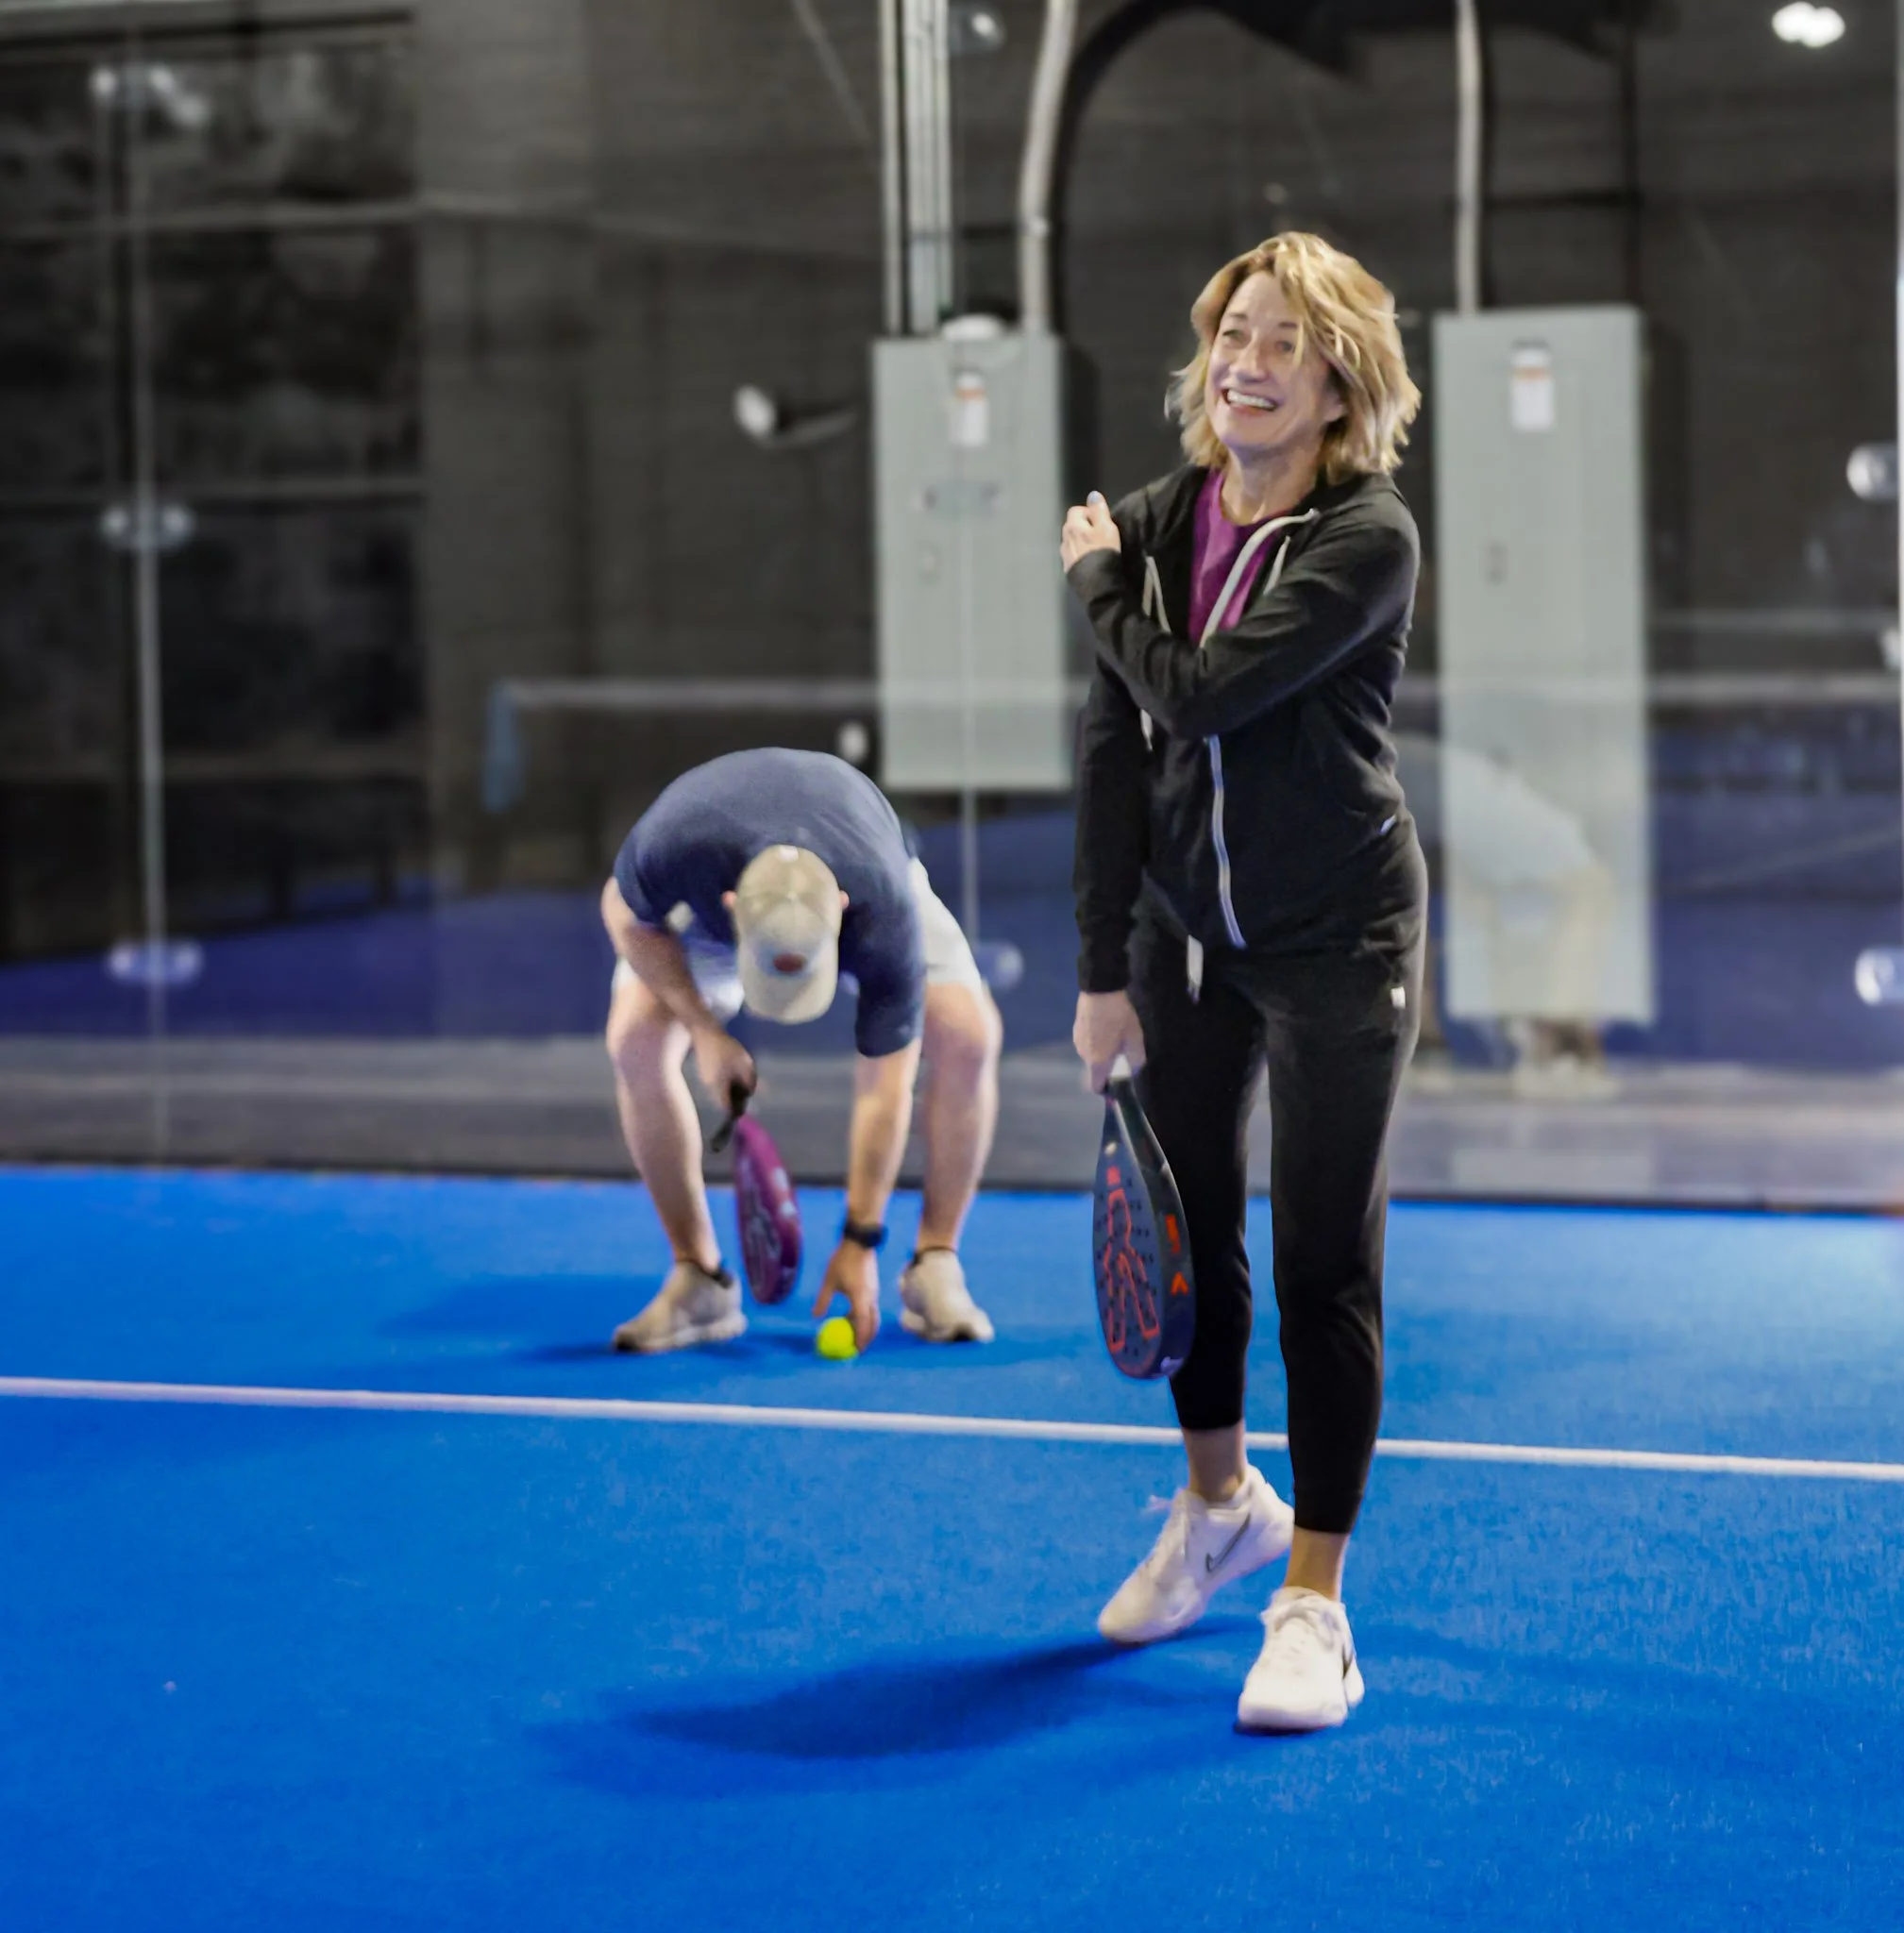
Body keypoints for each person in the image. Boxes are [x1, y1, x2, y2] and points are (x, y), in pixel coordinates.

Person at [1062, 231, 1425, 1733]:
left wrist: (1093, 586)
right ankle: (1216, 1506)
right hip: (1179, 942)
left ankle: (1314, 1608)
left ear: (1341, 382)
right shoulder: (1158, 519)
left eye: (1283, 342)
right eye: (1232, 335)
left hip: (1342, 942)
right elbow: (1113, 753)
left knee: (1319, 1263)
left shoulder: (1366, 536)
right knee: (1196, 1238)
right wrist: (1100, 968)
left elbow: (1197, 690)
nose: (1246, 362)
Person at [601, 748, 999, 1353]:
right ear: (732, 907)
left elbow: (884, 1088)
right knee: (633, 1039)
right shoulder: (674, 846)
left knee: (969, 1034)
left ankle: (934, 1264)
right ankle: (698, 1277)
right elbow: (625, 916)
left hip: (861, 861)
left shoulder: (879, 907)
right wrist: (705, 1033)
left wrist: (860, 1239)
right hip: (712, 908)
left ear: (841, 912)